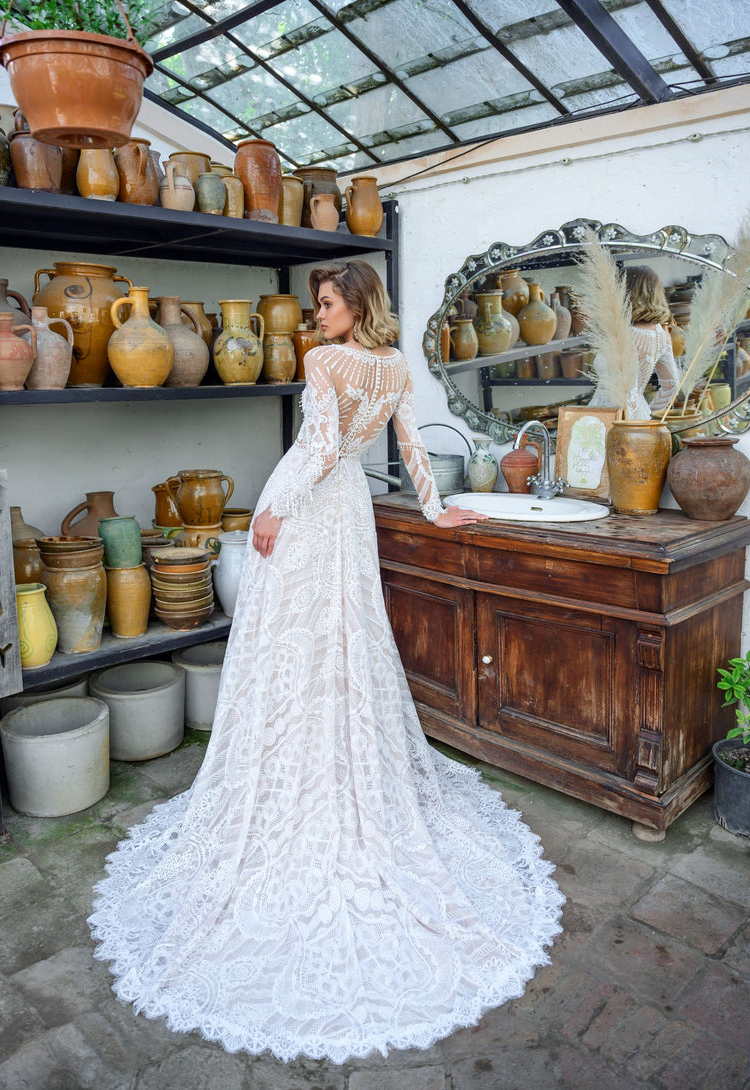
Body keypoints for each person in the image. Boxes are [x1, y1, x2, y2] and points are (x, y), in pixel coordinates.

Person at [89, 260, 564, 1063]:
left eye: (328, 302)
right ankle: (325, 756)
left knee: (290, 635)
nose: (317, 315)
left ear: (359, 306)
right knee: (341, 631)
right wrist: (437, 509)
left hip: (309, 501)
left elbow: (313, 445)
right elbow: (410, 445)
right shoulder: (395, 366)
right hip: (348, 511)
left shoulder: (326, 361)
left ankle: (294, 766)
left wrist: (270, 508)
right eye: (316, 305)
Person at [590, 264, 680, 418]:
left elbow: (627, 393)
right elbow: (672, 385)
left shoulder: (623, 334)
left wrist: (629, 424)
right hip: (637, 417)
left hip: (609, 418)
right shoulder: (661, 333)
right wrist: (648, 414)